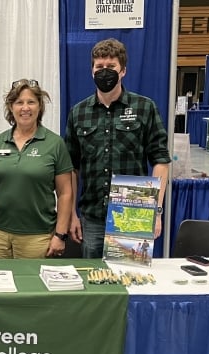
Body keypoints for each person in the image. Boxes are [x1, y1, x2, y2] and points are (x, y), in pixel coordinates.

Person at [65, 38, 171, 259]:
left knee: (129, 282)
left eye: (111, 67)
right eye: (99, 67)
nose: (105, 72)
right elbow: (71, 168)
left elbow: (161, 161)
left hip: (133, 210)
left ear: (122, 70)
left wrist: (156, 211)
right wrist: (72, 214)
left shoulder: (144, 107)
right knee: (95, 284)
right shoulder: (78, 112)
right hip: (92, 214)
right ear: (91, 70)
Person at [0, 79, 73, 259]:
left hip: (37, 237)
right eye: (19, 102)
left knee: (32, 286)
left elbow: (65, 193)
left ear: (39, 106)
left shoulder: (55, 144)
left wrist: (60, 234)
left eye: (31, 102)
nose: (25, 108)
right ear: (11, 107)